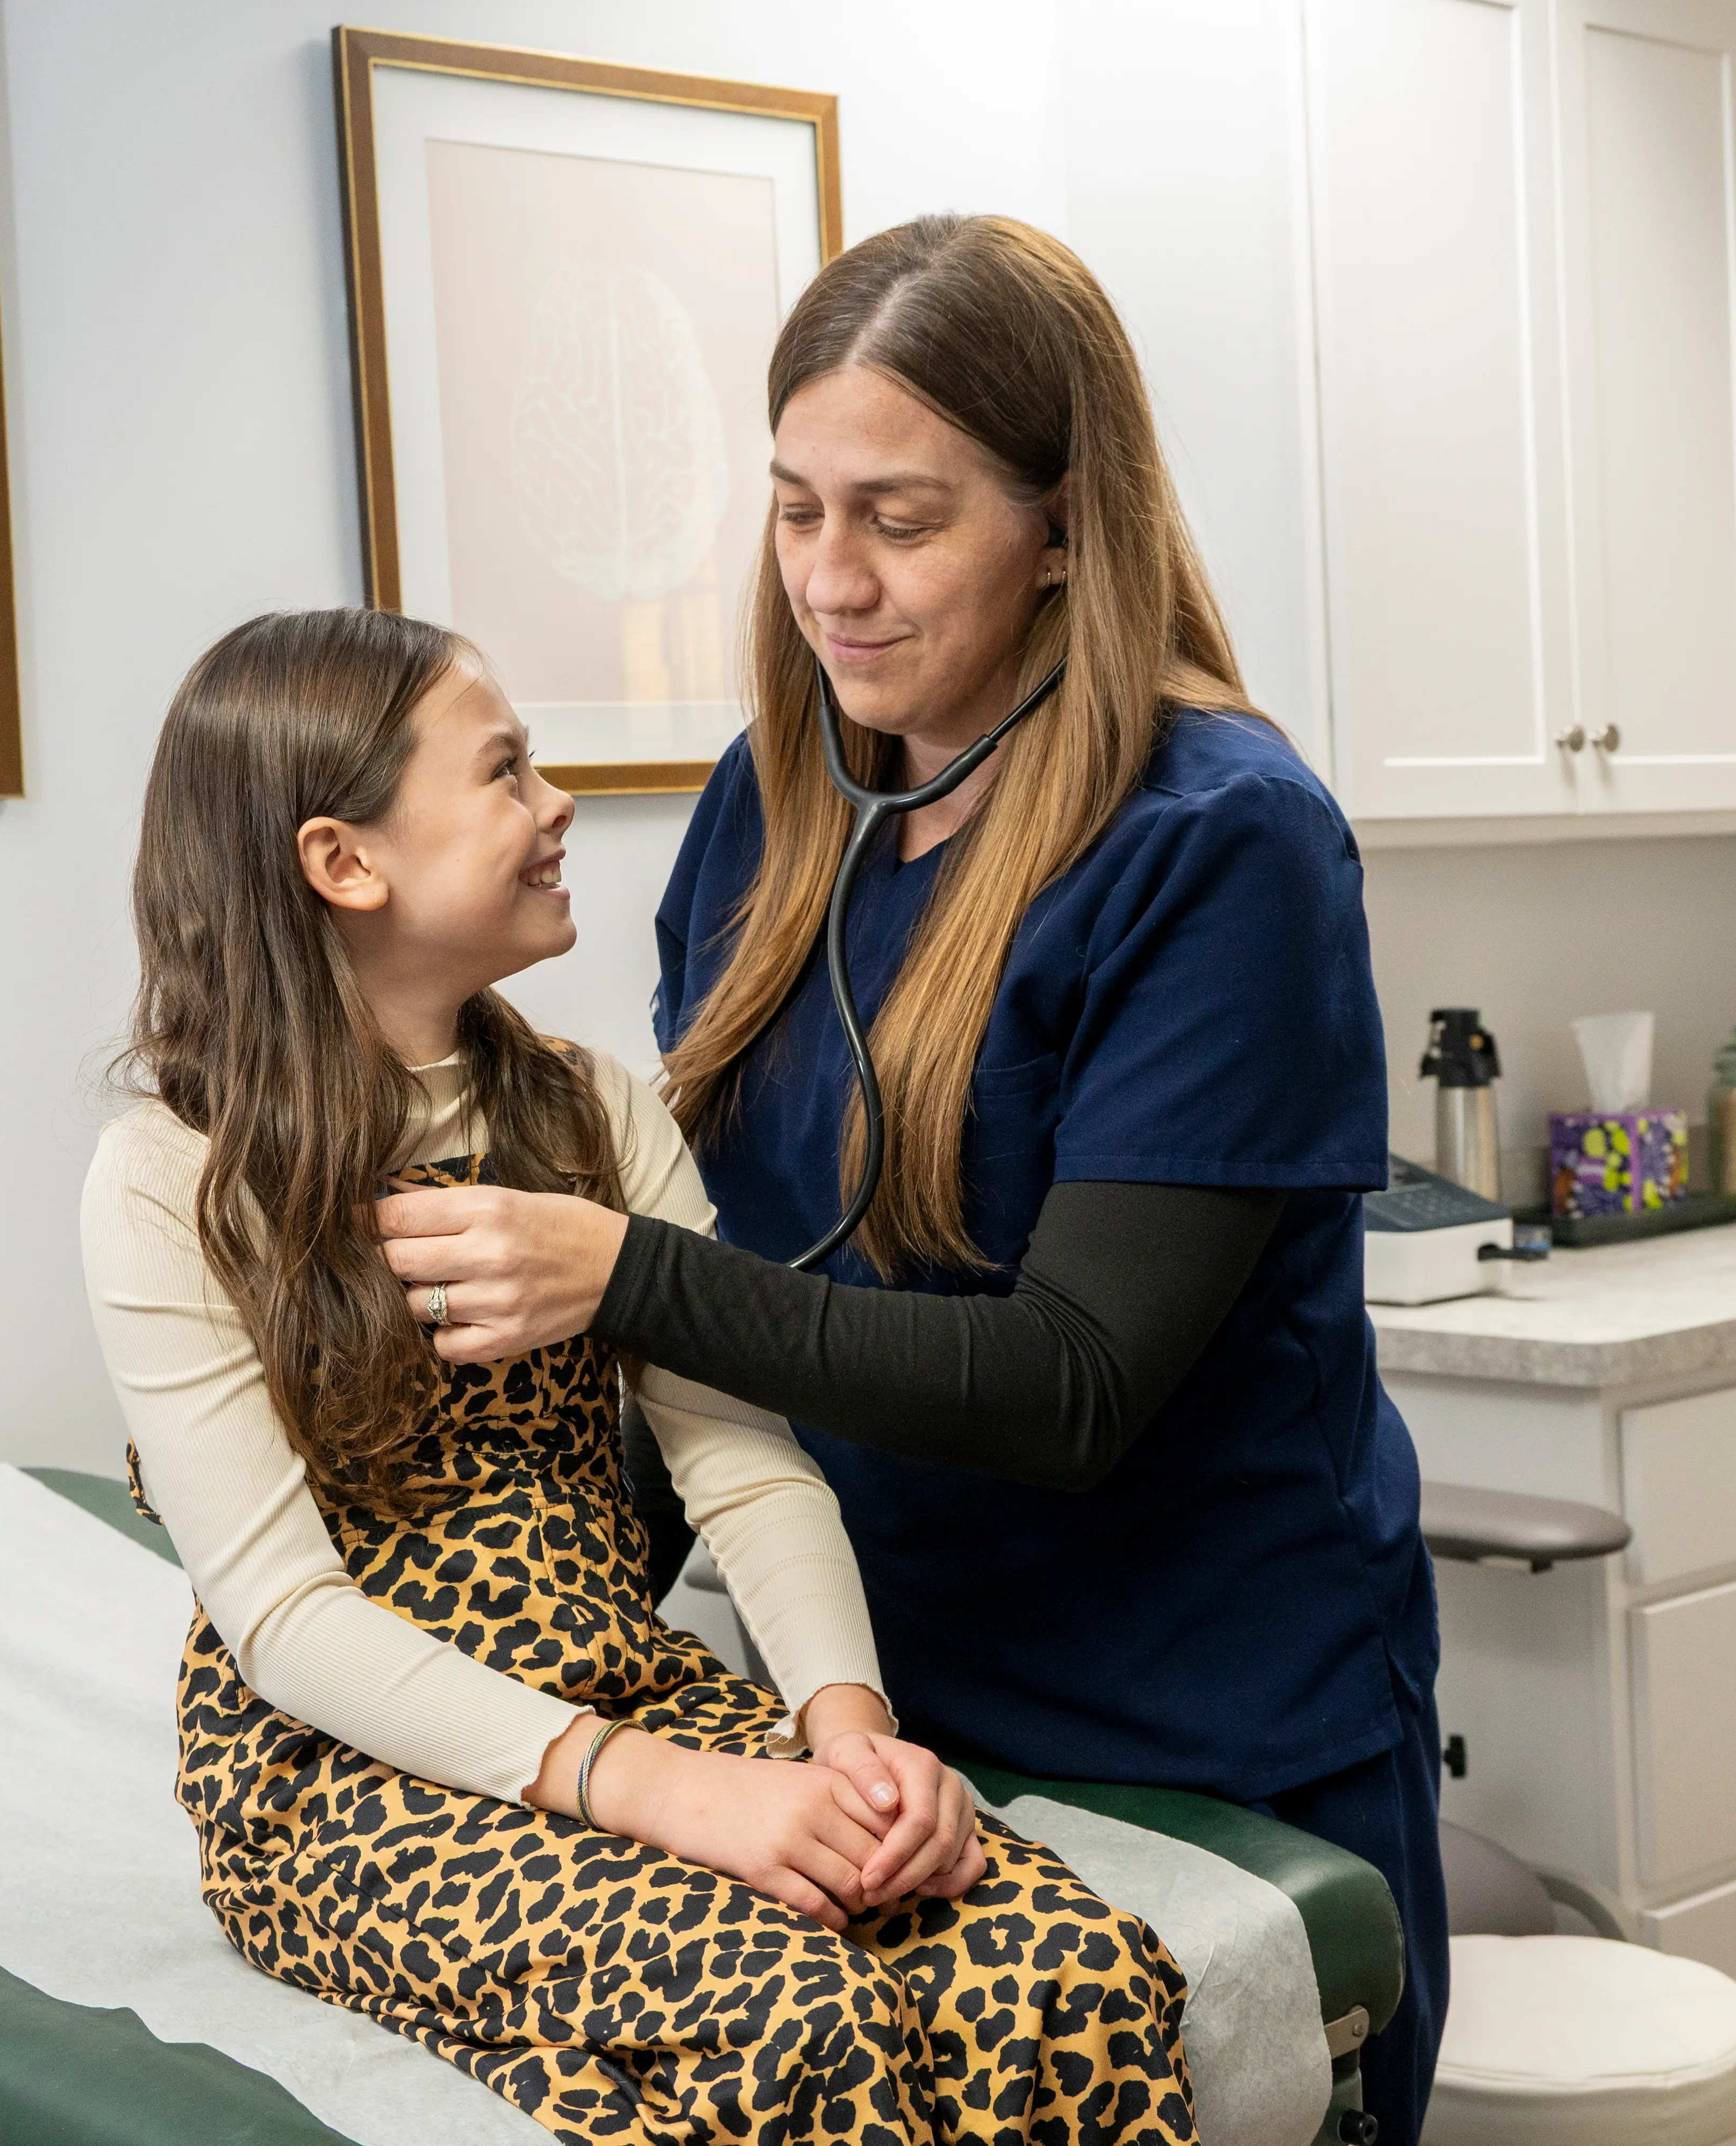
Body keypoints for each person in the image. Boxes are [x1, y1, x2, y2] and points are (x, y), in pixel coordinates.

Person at [374, 217, 1450, 2143]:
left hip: (1203, 1718)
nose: (830, 579)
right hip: (875, 1720)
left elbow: (1072, 1385)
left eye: (900, 518)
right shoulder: (774, 800)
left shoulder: (1224, 846)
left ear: (1065, 526)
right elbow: (724, 1297)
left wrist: (614, 1277)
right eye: (797, 510)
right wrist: (552, 1691)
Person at [79, 606, 1196, 2146]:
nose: (559, 807)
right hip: (342, 1769)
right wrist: (677, 1793)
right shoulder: (173, 1178)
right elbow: (285, 1621)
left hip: (623, 1687)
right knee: (798, 2009)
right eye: (506, 772)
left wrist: (850, 1738)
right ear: (346, 862)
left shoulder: (594, 1109)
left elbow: (741, 1463)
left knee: (1068, 1971)